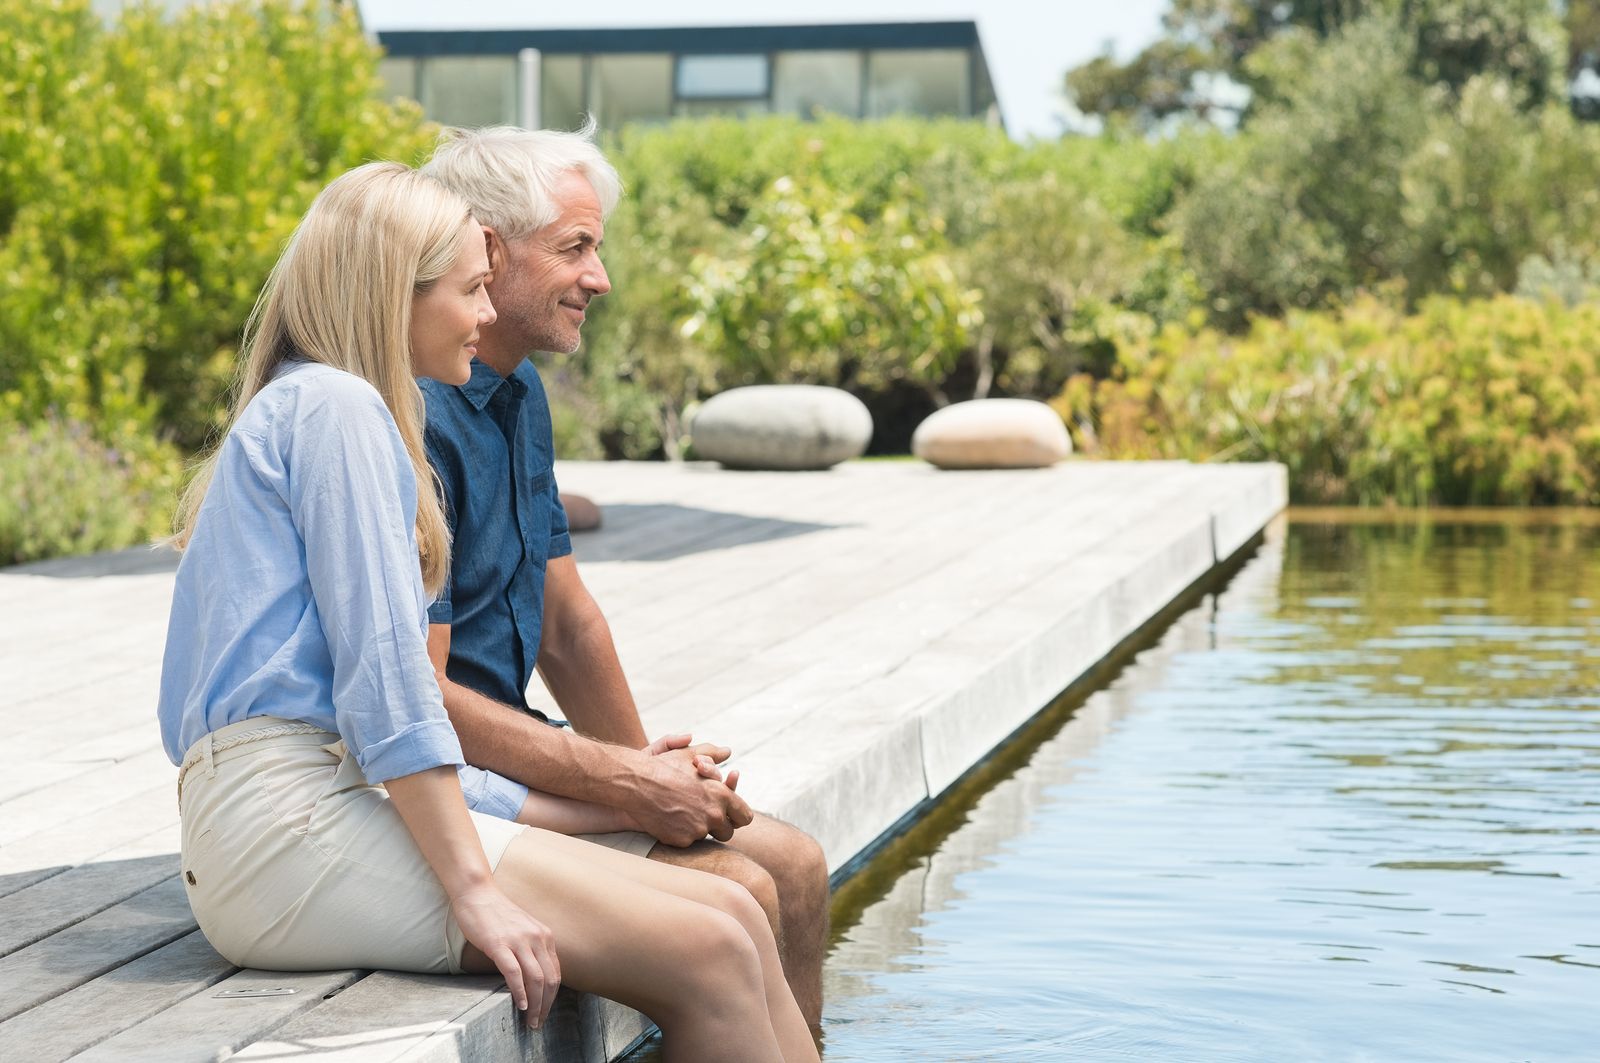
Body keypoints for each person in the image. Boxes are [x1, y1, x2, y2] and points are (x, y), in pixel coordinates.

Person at [157, 162, 817, 1062]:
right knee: (708, 947)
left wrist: (615, 805)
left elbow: (395, 737)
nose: (481, 313)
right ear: (399, 291)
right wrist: (477, 891)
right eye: (470, 289)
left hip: (321, 809)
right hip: (283, 834)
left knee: (734, 912)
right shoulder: (337, 410)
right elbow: (393, 701)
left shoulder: (345, 414)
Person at [418, 125, 831, 1026]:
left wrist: (654, 773)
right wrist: (625, 787)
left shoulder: (518, 391)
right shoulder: (416, 415)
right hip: (457, 781)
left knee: (795, 866)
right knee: (741, 892)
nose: (599, 278)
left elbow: (566, 622)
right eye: (576, 248)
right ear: (489, 248)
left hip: (521, 746)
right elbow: (424, 696)